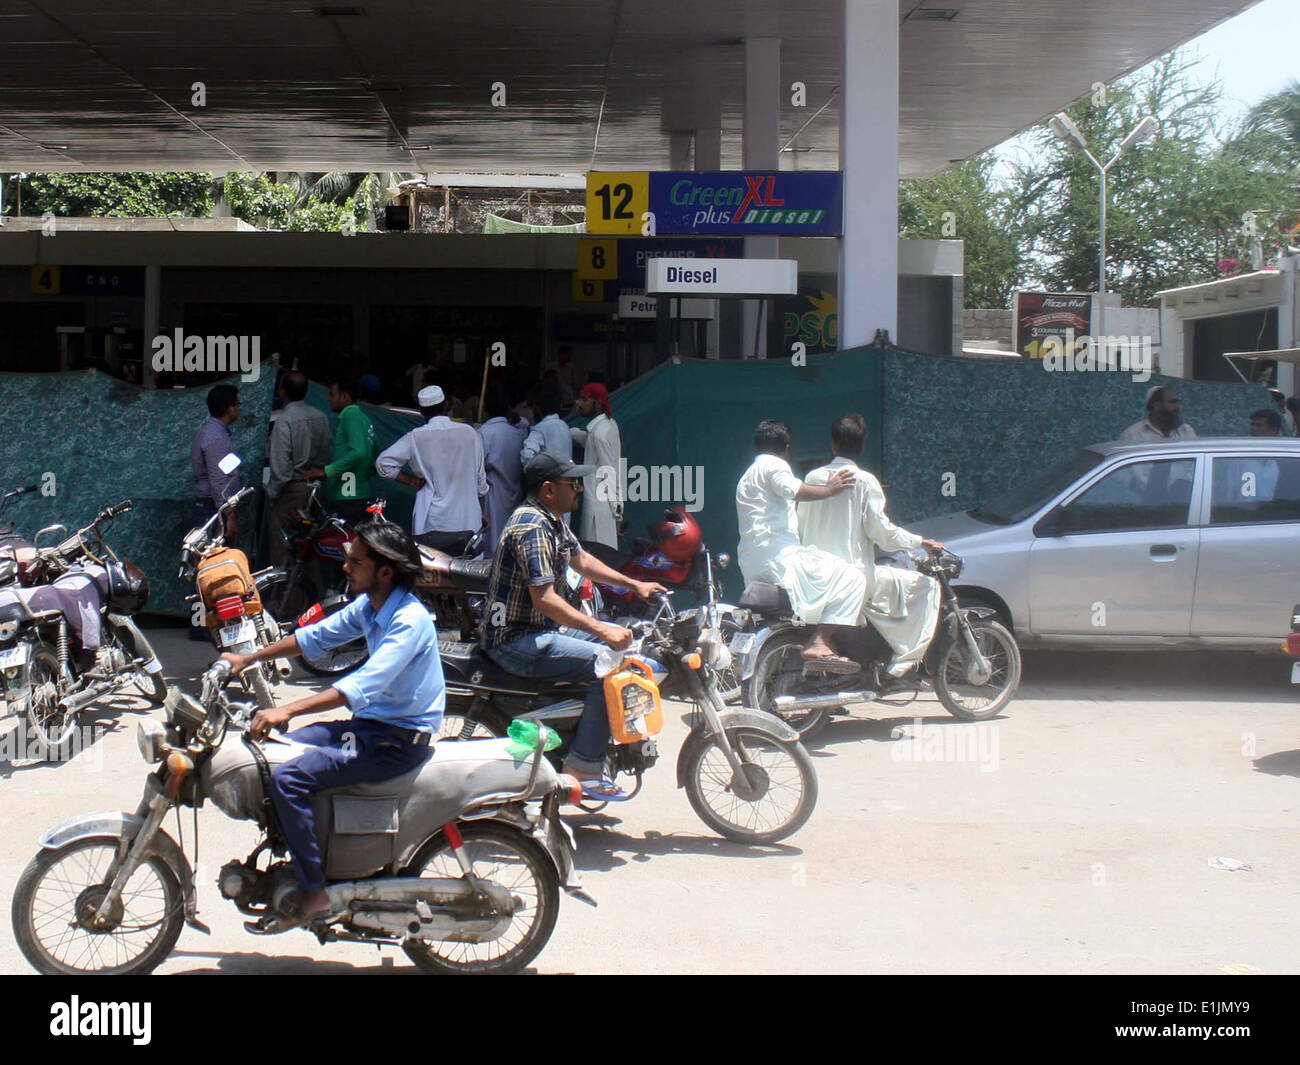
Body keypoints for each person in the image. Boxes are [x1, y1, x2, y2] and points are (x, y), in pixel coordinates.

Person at [221, 521, 444, 924]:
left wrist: (286, 709)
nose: (345, 568)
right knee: (275, 754)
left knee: (290, 780)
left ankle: (314, 892)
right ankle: (308, 846)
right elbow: (315, 637)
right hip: (370, 728)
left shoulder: (409, 621)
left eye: (355, 562)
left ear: (384, 572)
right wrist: (249, 658)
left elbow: (361, 684)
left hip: (395, 742)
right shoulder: (372, 606)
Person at [481, 451, 665, 798]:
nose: (579, 489)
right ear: (549, 490)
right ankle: (582, 764)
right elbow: (545, 599)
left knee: (626, 647)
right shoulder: (532, 527)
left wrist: (634, 585)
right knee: (609, 666)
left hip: (537, 629)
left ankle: (584, 734)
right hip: (515, 638)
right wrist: (601, 629)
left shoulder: (551, 520)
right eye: (572, 483)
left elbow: (581, 559)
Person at [799, 414, 945, 680]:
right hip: (850, 575)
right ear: (861, 445)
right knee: (925, 586)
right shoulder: (864, 482)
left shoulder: (812, 477)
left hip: (811, 575)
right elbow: (883, 534)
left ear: (833, 444)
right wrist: (920, 542)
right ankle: (901, 661)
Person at [736, 419, 865, 670]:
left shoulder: (747, 476)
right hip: (780, 561)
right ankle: (820, 641)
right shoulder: (775, 466)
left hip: (753, 563)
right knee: (853, 578)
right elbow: (793, 489)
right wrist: (829, 490)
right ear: (786, 448)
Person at [375, 384, 487, 555]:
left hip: (432, 522)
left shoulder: (415, 437)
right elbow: (481, 486)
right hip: (468, 519)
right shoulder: (471, 434)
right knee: (468, 575)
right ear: (446, 406)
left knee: (433, 574)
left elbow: (383, 463)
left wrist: (409, 480)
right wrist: (481, 513)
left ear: (421, 410)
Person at [267, 370, 333, 566]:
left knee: (283, 547)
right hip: (317, 489)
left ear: (282, 391)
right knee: (311, 546)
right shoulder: (320, 417)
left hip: (292, 490)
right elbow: (327, 453)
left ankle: (287, 593)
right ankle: (313, 592)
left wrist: (273, 494)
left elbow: (281, 468)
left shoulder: (284, 420)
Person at [301, 376, 379, 527]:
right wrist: (362, 475)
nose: (328, 399)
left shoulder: (351, 415)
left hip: (348, 497)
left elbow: (359, 452)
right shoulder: (364, 419)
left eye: (332, 395)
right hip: (360, 494)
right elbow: (376, 452)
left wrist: (326, 471)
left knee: (342, 545)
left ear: (345, 397)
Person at [570, 382, 622, 548]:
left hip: (598, 514)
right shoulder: (608, 425)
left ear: (598, 403)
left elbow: (609, 473)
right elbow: (589, 442)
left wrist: (618, 514)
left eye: (584, 399)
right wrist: (567, 431)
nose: (580, 403)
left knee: (598, 562)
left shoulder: (600, 434)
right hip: (602, 510)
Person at [478, 383, 528, 552]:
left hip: (494, 496)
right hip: (514, 494)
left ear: (485, 408)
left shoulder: (484, 433)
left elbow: (478, 467)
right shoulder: (517, 432)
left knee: (493, 545)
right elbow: (525, 424)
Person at [1120, 386, 1196, 442]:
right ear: (1157, 405)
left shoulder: (1186, 431)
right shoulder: (1132, 435)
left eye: (1177, 402)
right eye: (1172, 402)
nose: (1178, 407)